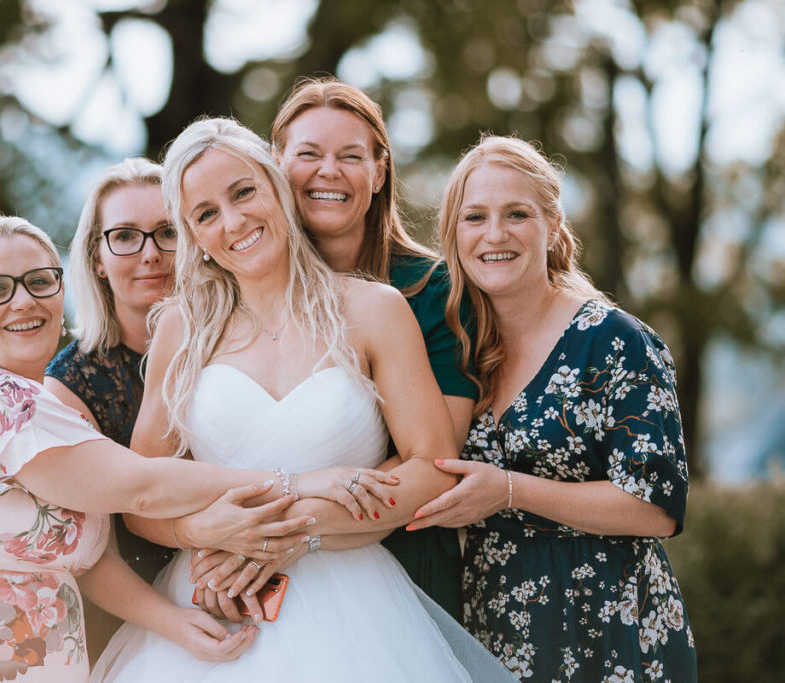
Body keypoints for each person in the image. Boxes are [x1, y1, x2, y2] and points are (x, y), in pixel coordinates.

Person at [0, 216, 391, 682]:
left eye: (39, 281)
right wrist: (298, 482)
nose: (23, 301)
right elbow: (144, 487)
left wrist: (172, 623)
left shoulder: (22, 400)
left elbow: (83, 553)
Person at [92, 118, 514, 681]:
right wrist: (198, 533)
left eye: (244, 193)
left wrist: (292, 531)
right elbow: (141, 497)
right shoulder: (180, 329)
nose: (234, 221)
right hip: (215, 604)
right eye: (206, 214)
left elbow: (433, 471)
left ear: (277, 189)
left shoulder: (373, 310)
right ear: (194, 235)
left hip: (358, 612)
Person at [407, 135, 697, 680]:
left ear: (553, 227)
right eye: (475, 217)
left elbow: (657, 507)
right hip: (491, 621)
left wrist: (509, 491)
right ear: (453, 235)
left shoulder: (617, 342)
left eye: (517, 214)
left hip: (608, 621)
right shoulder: (454, 348)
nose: (495, 234)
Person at [261, 75, 476, 616]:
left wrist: (274, 531)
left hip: (398, 558)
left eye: (351, 156)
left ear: (379, 172)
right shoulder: (244, 292)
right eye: (308, 153)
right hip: (250, 572)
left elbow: (433, 458)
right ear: (275, 165)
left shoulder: (435, 293)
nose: (328, 171)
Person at [44, 158, 179, 657]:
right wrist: (179, 622)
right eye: (125, 236)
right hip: (140, 618)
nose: (151, 254)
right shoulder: (69, 386)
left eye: (168, 231)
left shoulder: (242, 342)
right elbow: (93, 556)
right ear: (98, 256)